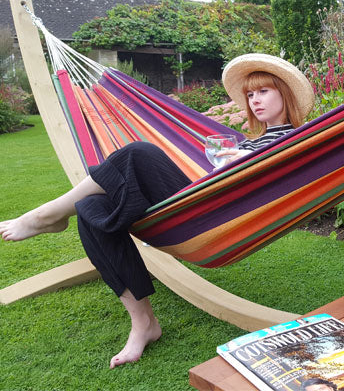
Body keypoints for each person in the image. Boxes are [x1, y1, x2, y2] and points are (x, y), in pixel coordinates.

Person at [0, 53, 314, 369]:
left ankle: (46, 215)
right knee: (91, 208)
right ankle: (144, 323)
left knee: (139, 152)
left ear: (284, 93)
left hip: (210, 218)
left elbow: (259, 181)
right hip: (194, 205)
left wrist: (233, 160)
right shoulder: (253, 140)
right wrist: (230, 156)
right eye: (250, 94)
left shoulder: (295, 140)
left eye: (264, 91)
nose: (255, 100)